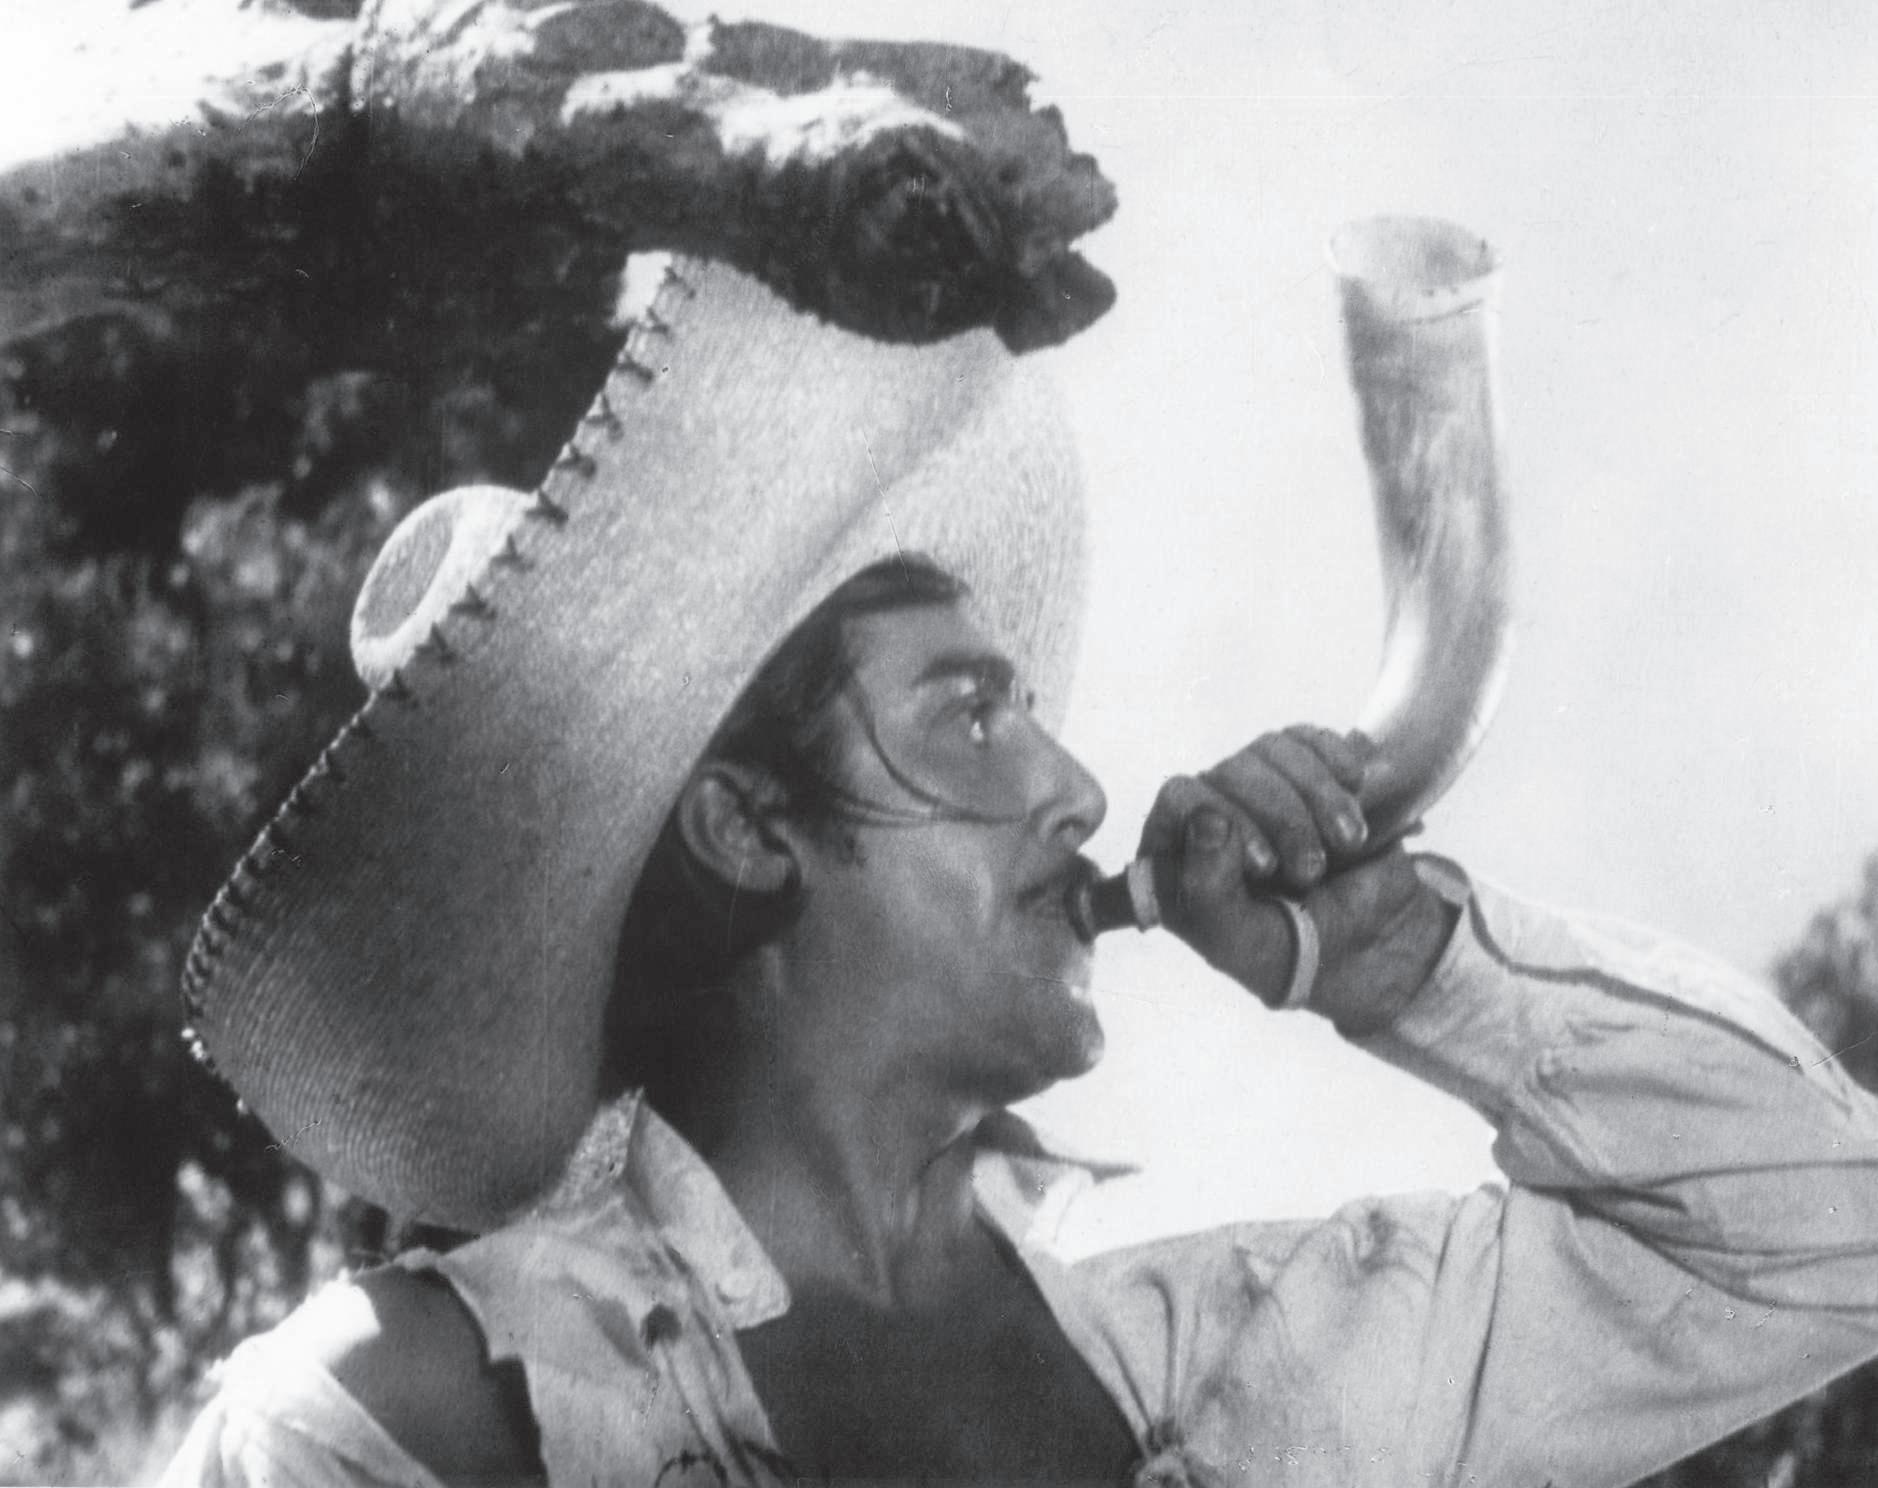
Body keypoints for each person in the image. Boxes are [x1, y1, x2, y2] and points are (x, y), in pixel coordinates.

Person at [163, 256, 1878, 1488]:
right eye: (970, 717)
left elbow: (1824, 1242)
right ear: (747, 826)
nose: (1076, 789)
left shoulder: (1241, 1354)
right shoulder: (409, 1416)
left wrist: (1397, 959)